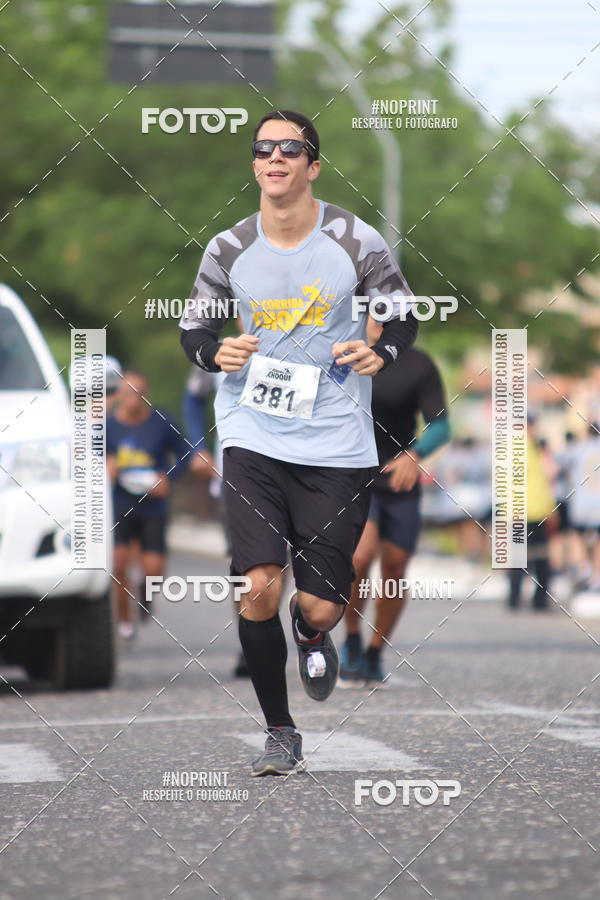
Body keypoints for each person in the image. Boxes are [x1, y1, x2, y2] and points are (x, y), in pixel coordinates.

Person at [179, 109, 418, 776]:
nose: (275, 157)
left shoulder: (354, 239)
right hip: (252, 434)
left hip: (336, 444)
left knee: (317, 601)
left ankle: (313, 632)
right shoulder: (228, 247)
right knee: (257, 586)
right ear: (255, 164)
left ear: (313, 164)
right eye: (264, 148)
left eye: (290, 148)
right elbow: (194, 329)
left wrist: (382, 352)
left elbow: (402, 313)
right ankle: (280, 729)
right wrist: (214, 352)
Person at [340, 328, 450, 686]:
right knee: (359, 558)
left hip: (399, 479)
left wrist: (415, 454)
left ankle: (374, 651)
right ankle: (352, 638)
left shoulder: (417, 363)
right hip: (354, 476)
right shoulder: (341, 351)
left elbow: (441, 425)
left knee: (395, 567)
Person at [107, 370, 197, 640]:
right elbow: (84, 455)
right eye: (125, 394)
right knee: (119, 565)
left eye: (137, 394)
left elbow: (187, 455)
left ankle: (146, 594)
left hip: (152, 505)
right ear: (118, 397)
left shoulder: (161, 422)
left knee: (153, 569)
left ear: (146, 396)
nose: (131, 400)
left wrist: (168, 478)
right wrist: (105, 465)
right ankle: (124, 620)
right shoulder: (108, 426)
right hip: (120, 502)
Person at [507, 415, 557, 611]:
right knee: (530, 559)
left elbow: (544, 482)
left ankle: (532, 599)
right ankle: (524, 598)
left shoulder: (535, 448)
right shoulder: (521, 448)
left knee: (538, 558)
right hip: (523, 512)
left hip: (536, 511)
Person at [567, 423, 600, 590]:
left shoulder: (579, 449)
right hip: (597, 505)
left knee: (578, 539)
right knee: (597, 543)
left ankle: (583, 570)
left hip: (581, 505)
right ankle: (596, 576)